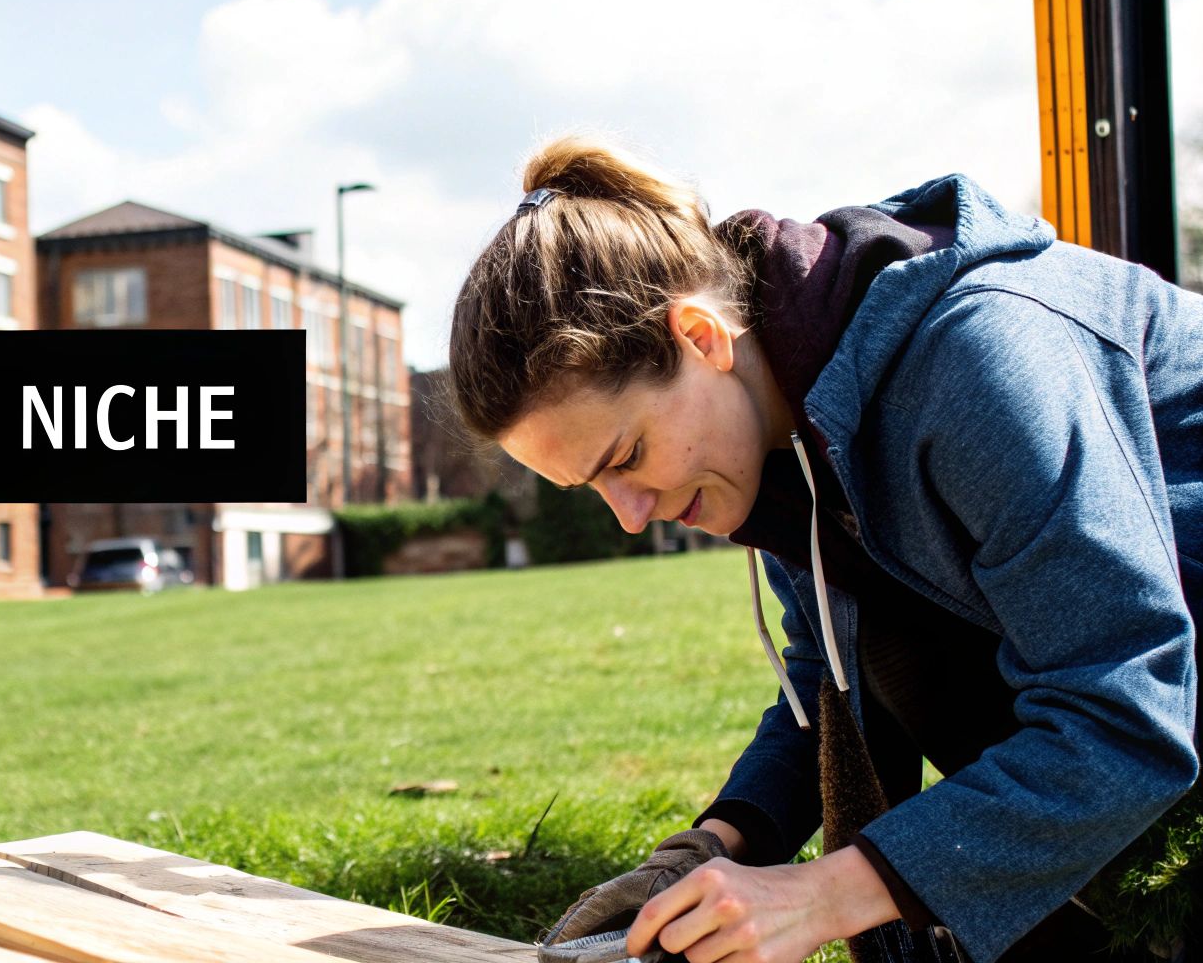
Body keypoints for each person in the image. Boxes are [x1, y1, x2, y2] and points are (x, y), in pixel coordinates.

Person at [444, 135, 1203, 963]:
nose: (630, 516)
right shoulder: (776, 445)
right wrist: (715, 848)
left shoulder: (984, 360)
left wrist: (822, 896)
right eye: (590, 486)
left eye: (624, 457)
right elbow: (828, 678)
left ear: (701, 338)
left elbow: (1126, 703)